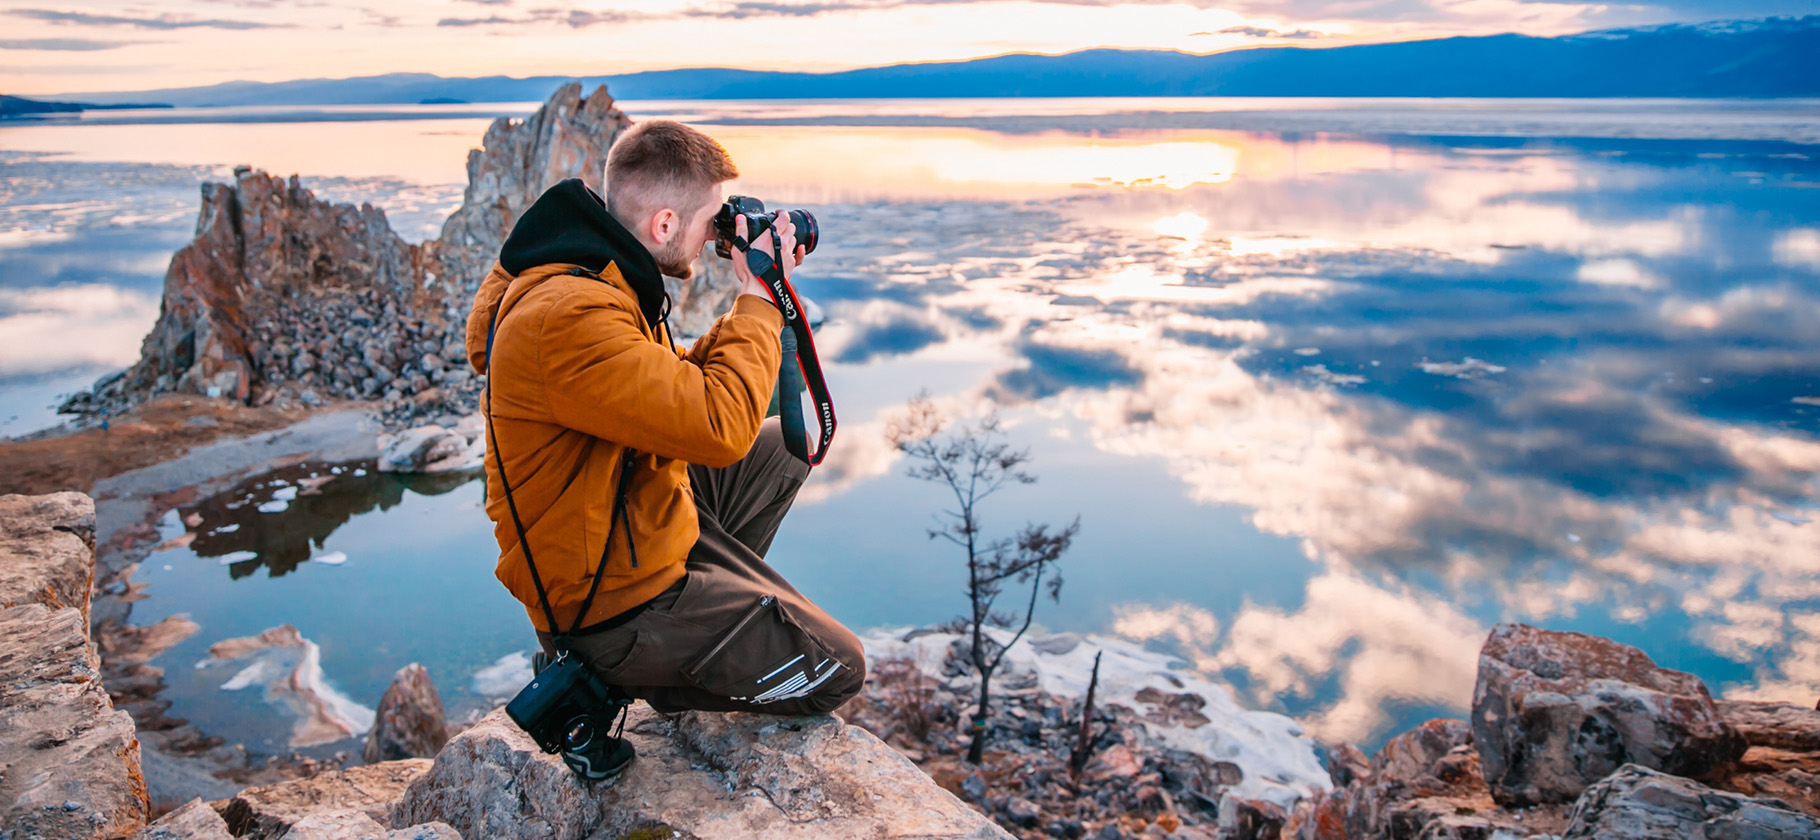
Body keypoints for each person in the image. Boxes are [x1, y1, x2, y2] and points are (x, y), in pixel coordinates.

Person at [464, 120, 866, 779]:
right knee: (835, 670)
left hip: (625, 523)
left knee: (781, 452)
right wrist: (760, 295)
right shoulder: (569, 316)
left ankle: (709, 612)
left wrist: (754, 304)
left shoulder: (598, 271)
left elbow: (677, 388)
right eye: (711, 221)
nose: (717, 235)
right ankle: (615, 679)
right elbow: (716, 426)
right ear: (662, 223)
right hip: (606, 603)